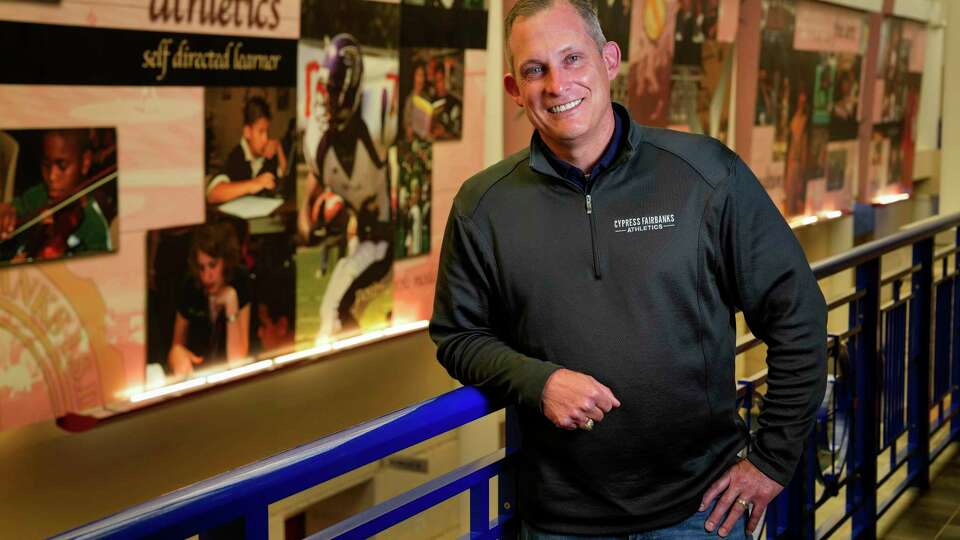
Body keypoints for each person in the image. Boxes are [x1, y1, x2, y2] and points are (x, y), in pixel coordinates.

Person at [430, 0, 827, 538]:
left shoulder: (705, 175)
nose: (555, 84)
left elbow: (797, 316)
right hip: (561, 522)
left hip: (700, 512)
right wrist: (536, 381)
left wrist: (772, 461)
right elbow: (459, 335)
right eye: (534, 69)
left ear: (610, 59)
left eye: (573, 58)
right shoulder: (484, 205)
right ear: (513, 89)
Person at [299, 33, 394, 341]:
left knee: (334, 311)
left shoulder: (378, 115)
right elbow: (314, 182)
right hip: (361, 243)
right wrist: (309, 217)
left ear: (352, 87)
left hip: (384, 241)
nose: (325, 97)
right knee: (339, 312)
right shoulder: (317, 141)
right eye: (324, 89)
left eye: (332, 89)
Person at [0, 129, 111, 262]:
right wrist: (6, 213)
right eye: (46, 165)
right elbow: (15, 209)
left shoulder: (94, 229)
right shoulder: (39, 194)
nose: (52, 177)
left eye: (62, 166)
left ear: (85, 162)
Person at [168, 223, 251, 377]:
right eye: (201, 267)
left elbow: (238, 360)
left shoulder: (240, 281)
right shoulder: (190, 286)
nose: (207, 276)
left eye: (213, 265)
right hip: (197, 375)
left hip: (230, 379)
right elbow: (175, 348)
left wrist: (231, 301)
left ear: (226, 261)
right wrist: (177, 354)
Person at [206, 96, 288, 204]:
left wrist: (278, 147)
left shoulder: (266, 154)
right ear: (247, 132)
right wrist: (254, 183)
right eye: (261, 132)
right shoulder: (236, 156)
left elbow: (283, 172)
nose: (266, 139)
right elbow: (213, 194)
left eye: (267, 132)